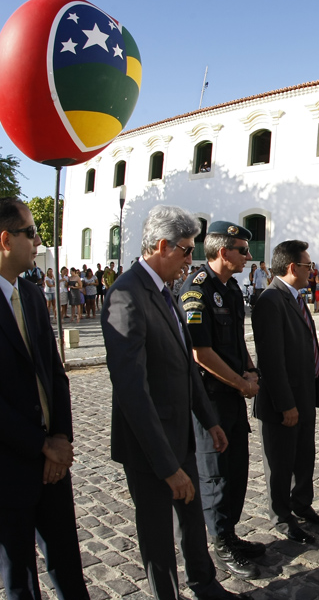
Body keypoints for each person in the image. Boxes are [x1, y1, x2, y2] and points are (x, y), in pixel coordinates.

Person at [101, 205, 240, 600]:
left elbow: (184, 364)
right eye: (186, 250)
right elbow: (132, 390)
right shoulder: (126, 295)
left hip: (181, 434)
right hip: (149, 445)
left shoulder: (165, 290)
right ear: (162, 246)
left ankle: (205, 584)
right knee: (158, 534)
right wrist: (166, 466)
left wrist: (208, 420)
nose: (190, 259)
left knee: (192, 520)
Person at [0, 198, 89, 600]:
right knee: (21, 582)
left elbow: (54, 374)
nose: (38, 241)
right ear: (6, 239)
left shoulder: (31, 294)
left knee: (69, 568)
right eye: (31, 232)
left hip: (52, 461)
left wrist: (60, 438)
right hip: (7, 463)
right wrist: (41, 446)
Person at [176, 221, 265, 579]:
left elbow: (237, 341)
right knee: (215, 473)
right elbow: (200, 352)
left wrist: (251, 370)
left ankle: (230, 532)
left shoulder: (230, 289)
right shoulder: (197, 289)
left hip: (233, 394)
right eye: (242, 250)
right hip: (210, 398)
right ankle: (221, 542)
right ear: (223, 251)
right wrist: (241, 383)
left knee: (237, 468)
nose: (248, 256)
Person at [252, 240, 319, 543]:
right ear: (291, 267)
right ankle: (282, 516)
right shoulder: (271, 300)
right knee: (281, 462)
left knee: (303, 455)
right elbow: (271, 360)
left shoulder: (295, 297)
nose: (311, 270)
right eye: (307, 265)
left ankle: (301, 503)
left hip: (304, 393)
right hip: (282, 400)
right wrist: (286, 403)